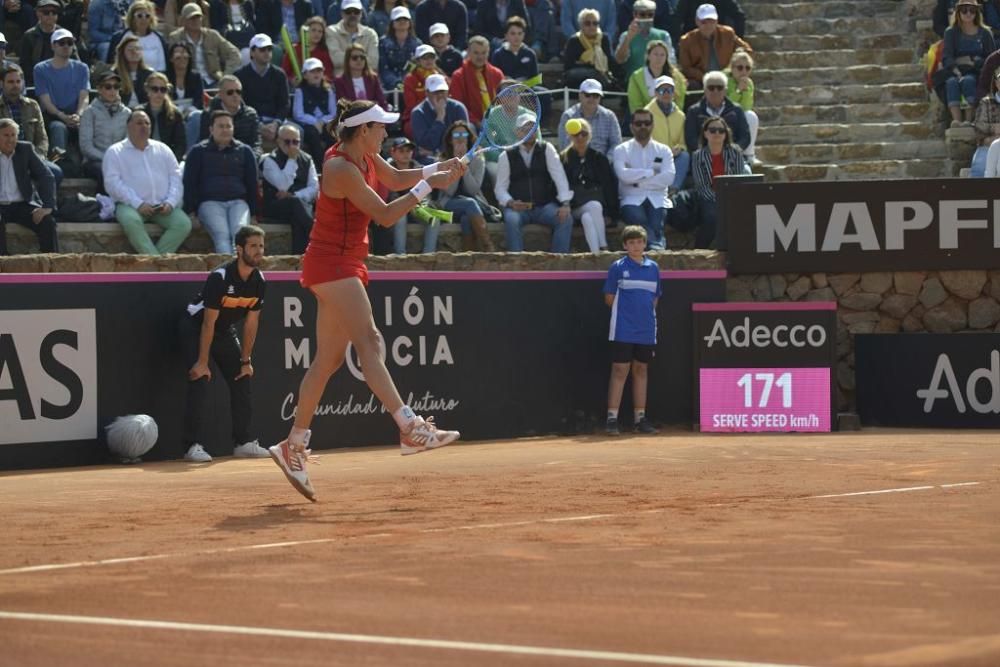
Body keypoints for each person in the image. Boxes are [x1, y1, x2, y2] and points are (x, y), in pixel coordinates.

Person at [268, 100, 463, 502]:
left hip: (346, 261)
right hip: (331, 262)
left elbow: (393, 178)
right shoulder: (339, 167)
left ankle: (293, 445)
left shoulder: (366, 154)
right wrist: (430, 187)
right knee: (370, 342)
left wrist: (435, 170)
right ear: (361, 130)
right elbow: (386, 214)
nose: (386, 134)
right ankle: (409, 427)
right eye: (380, 128)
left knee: (327, 361)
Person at [181, 225, 272, 463]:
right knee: (199, 378)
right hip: (195, 327)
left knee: (242, 378)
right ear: (239, 249)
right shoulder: (219, 278)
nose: (258, 251)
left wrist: (246, 361)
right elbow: (207, 323)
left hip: (223, 331)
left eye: (261, 246)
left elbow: (251, 324)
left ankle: (242, 443)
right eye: (253, 246)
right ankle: (192, 445)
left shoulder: (259, 281)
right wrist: (202, 362)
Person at [104, 110, 191, 254]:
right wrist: (138, 203)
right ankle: (156, 264)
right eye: (139, 123)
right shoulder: (115, 152)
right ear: (128, 126)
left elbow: (176, 177)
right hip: (130, 205)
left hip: (162, 206)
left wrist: (170, 202)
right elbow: (112, 184)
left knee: (183, 224)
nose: (144, 126)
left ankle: (153, 263)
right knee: (131, 222)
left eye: (147, 123)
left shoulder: (163, 149)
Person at [603, 224, 660, 435]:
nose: (636, 246)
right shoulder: (617, 267)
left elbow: (654, 298)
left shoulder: (654, 268)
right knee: (620, 370)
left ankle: (640, 419)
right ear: (625, 245)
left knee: (641, 370)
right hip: (622, 328)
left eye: (639, 242)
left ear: (645, 244)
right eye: (631, 242)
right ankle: (611, 419)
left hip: (646, 329)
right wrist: (628, 315)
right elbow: (609, 298)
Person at [495, 112, 574, 252]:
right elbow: (500, 188)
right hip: (518, 209)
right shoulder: (506, 155)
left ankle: (559, 265)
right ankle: (516, 263)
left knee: (565, 219)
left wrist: (565, 203)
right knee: (512, 220)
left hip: (544, 206)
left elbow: (559, 176)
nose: (530, 132)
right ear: (517, 132)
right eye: (525, 128)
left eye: (533, 128)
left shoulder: (547, 149)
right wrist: (511, 202)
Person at [186, 110, 260, 253]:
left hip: (239, 203)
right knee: (222, 236)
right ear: (211, 129)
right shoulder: (198, 152)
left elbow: (252, 183)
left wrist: (254, 213)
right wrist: (191, 212)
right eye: (221, 126)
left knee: (240, 237)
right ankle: (230, 274)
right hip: (210, 203)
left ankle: (238, 273)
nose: (225, 130)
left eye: (228, 126)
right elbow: (190, 184)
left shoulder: (245, 151)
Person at [613, 108, 675, 250]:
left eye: (647, 123)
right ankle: (657, 248)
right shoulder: (621, 150)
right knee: (639, 221)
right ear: (631, 126)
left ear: (653, 125)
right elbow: (622, 175)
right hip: (630, 198)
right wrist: (651, 172)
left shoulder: (664, 150)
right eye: (638, 123)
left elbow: (668, 178)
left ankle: (655, 249)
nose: (643, 127)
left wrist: (636, 180)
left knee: (655, 222)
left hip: (658, 198)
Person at [0, 118, 58, 256]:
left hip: (22, 204)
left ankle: (50, 263)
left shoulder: (25, 149)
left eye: (13, 135)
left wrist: (47, 207)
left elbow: (46, 176)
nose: (10, 140)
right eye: (6, 135)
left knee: (47, 222)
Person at [434, 119, 494, 250]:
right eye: (456, 136)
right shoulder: (443, 160)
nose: (460, 139)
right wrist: (457, 164)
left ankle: (468, 258)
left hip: (474, 204)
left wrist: (465, 166)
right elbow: (449, 191)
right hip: (448, 202)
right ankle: (488, 246)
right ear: (450, 140)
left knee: (467, 219)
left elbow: (473, 190)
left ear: (469, 138)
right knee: (469, 204)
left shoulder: (478, 159)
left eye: (463, 135)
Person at [561, 117, 617, 253]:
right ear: (569, 135)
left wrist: (612, 215)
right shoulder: (563, 158)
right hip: (573, 208)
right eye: (576, 134)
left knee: (588, 217)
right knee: (594, 206)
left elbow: (610, 186)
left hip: (594, 210)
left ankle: (596, 254)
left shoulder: (599, 158)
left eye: (584, 133)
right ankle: (604, 247)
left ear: (590, 135)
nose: (580, 137)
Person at [0, 64, 62, 184]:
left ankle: (42, 203)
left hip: (31, 156)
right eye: (11, 82)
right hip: (4, 156)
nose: (15, 85)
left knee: (56, 173)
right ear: (2, 83)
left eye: (18, 81)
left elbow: (42, 138)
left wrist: (36, 157)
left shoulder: (32, 105)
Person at [33, 28, 90, 155]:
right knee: (58, 128)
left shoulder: (82, 68)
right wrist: (61, 116)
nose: (66, 46)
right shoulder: (40, 69)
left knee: (87, 126)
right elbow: (45, 100)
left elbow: (84, 96)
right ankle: (59, 162)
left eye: (70, 43)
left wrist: (78, 115)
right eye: (61, 43)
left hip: (76, 115)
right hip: (53, 116)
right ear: (53, 45)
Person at [262, 124, 317, 253]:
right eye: (287, 142)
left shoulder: (307, 159)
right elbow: (282, 185)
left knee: (297, 217)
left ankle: (299, 258)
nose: (292, 146)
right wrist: (292, 160)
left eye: (296, 142)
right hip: (276, 207)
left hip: (300, 207)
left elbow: (314, 188)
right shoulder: (268, 160)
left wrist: (294, 195)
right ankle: (316, 234)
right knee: (296, 205)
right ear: (278, 141)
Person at [691, 116, 744, 248]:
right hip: (707, 196)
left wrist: (728, 197)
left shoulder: (735, 153)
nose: (717, 133)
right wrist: (718, 199)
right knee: (712, 216)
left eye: (721, 130)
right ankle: (699, 248)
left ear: (726, 134)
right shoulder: (698, 156)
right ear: (705, 133)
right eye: (712, 130)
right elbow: (701, 185)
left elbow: (738, 179)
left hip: (731, 195)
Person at [942, 0, 995, 126]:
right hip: (955, 70)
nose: (968, 13)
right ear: (958, 12)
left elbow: (992, 58)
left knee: (969, 81)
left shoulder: (985, 33)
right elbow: (947, 56)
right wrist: (956, 71)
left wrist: (973, 62)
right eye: (964, 10)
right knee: (951, 82)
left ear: (977, 12)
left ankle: (968, 120)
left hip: (978, 70)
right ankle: (957, 121)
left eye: (972, 10)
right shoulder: (951, 32)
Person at [678, 3, 751, 91]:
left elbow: (747, 50)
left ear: (716, 21)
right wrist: (705, 77)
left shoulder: (728, 34)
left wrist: (736, 59)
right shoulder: (686, 40)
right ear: (697, 21)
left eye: (712, 21)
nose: (708, 25)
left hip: (727, 78)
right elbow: (686, 68)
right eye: (704, 22)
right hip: (700, 81)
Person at [490, 16, 550, 120]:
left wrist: (522, 87)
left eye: (519, 33)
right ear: (506, 35)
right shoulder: (498, 54)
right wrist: (511, 85)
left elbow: (536, 79)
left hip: (526, 89)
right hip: (506, 90)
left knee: (545, 94)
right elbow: (496, 78)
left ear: (523, 35)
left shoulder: (530, 53)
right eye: (513, 33)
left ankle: (538, 124)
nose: (516, 37)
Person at [169, 2, 242, 88]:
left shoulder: (212, 35)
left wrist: (226, 76)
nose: (195, 20)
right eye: (191, 18)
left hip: (213, 81)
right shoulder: (176, 38)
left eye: (198, 17)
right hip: (188, 83)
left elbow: (234, 53)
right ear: (183, 20)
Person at [236, 33, 291, 145]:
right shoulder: (240, 76)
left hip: (275, 121)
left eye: (269, 49)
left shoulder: (279, 74)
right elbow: (241, 105)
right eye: (262, 49)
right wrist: (259, 125)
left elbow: (284, 103)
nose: (267, 52)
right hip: (250, 121)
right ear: (252, 52)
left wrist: (276, 124)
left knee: (297, 132)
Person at [80, 70, 130, 188]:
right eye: (108, 87)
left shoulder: (127, 113)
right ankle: (107, 205)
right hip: (95, 161)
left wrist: (118, 160)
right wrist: (108, 159)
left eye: (116, 87)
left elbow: (129, 141)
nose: (113, 91)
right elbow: (86, 146)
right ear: (99, 89)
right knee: (106, 173)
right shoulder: (89, 112)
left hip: (120, 161)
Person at [683, 70, 749, 154]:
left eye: (719, 88)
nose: (715, 91)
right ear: (705, 90)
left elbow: (745, 137)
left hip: (732, 156)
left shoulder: (736, 110)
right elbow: (691, 138)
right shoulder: (693, 111)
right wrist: (708, 152)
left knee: (746, 168)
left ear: (725, 90)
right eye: (711, 88)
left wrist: (733, 150)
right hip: (703, 157)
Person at [556, 78, 621, 159]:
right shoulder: (568, 116)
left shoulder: (609, 116)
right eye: (587, 95)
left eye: (596, 96)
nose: (591, 99)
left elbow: (616, 144)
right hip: (575, 164)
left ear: (600, 98)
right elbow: (564, 145)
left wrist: (605, 161)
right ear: (580, 95)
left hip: (603, 165)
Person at [410, 72, 469, 159]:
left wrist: (436, 152)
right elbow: (426, 145)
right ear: (426, 93)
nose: (440, 95)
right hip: (431, 160)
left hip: (456, 155)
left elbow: (462, 139)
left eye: (442, 91)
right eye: (436, 92)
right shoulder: (418, 113)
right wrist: (440, 118)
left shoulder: (458, 108)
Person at [198, 74, 263, 154]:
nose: (235, 95)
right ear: (220, 94)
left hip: (244, 159)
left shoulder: (251, 114)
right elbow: (204, 144)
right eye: (230, 92)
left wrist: (251, 160)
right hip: (217, 158)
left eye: (238, 92)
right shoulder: (209, 114)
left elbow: (256, 144)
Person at [615, 0, 673, 86]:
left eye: (650, 15)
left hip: (659, 83)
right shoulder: (625, 36)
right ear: (634, 15)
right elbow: (620, 60)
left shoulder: (664, 35)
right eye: (642, 15)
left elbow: (671, 62)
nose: (646, 18)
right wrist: (628, 38)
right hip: (634, 83)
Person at [645, 75, 688, 190]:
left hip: (674, 156)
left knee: (684, 156)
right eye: (662, 90)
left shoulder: (681, 116)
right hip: (654, 157)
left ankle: (673, 190)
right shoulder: (646, 114)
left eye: (670, 90)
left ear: (674, 93)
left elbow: (683, 142)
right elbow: (644, 142)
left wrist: (679, 148)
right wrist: (666, 153)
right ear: (656, 93)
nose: (666, 93)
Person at [450, 35, 504, 126]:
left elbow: (506, 102)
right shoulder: (458, 76)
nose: (480, 57)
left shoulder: (497, 74)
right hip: (472, 124)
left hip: (498, 124)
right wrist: (477, 122)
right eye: (476, 53)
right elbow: (458, 107)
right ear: (468, 52)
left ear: (488, 53)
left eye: (484, 53)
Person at [293, 57, 337, 166]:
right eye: (312, 71)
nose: (316, 74)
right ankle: (321, 166)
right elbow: (298, 114)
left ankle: (333, 163)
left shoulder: (328, 91)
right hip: (308, 124)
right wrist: (314, 122)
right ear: (305, 75)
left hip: (325, 123)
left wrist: (322, 121)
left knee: (333, 134)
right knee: (312, 135)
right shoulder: (300, 91)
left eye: (319, 70)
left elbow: (333, 113)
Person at [137, 71, 188, 161]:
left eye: (163, 89)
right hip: (142, 159)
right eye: (155, 89)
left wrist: (171, 161)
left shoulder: (175, 114)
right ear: (147, 90)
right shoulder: (138, 113)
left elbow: (181, 144)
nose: (159, 93)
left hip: (168, 160)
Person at [563, 8, 618, 91]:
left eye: (595, 23)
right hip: (578, 77)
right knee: (594, 74)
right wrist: (590, 67)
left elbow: (610, 61)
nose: (592, 26)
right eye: (587, 23)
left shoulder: (604, 39)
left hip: (601, 76)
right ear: (581, 25)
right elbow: (568, 66)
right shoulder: (574, 40)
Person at [627, 39, 686, 114]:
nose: (659, 58)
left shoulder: (677, 76)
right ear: (648, 56)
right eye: (655, 54)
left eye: (662, 55)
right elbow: (635, 104)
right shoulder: (636, 77)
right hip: (646, 121)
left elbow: (680, 102)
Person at [166, 42, 206, 152]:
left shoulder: (196, 77)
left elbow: (199, 101)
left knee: (197, 116)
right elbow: (165, 99)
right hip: (172, 112)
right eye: (178, 54)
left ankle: (189, 152)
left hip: (191, 114)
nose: (182, 57)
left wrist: (189, 111)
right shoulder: (165, 77)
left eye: (185, 53)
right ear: (171, 59)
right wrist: (179, 112)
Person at [107, 1, 169, 71]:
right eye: (139, 16)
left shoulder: (159, 38)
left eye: (147, 16)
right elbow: (111, 64)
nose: (143, 19)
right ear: (132, 18)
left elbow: (164, 67)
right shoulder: (118, 38)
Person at [326, 0, 380, 77]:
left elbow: (374, 61)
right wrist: (361, 59)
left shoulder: (370, 33)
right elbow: (336, 59)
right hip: (342, 80)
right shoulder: (331, 31)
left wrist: (349, 59)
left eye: (356, 12)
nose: (352, 15)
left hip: (365, 79)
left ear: (361, 13)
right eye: (348, 11)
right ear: (342, 13)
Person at [402, 43, 444, 138]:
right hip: (418, 115)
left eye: (431, 57)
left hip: (441, 113)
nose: (429, 60)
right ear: (418, 61)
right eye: (425, 58)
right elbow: (411, 105)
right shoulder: (410, 78)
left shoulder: (441, 75)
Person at [726, 48, 758, 166]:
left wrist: (744, 91)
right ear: (732, 68)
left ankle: (749, 154)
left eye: (747, 68)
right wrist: (738, 90)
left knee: (751, 115)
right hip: (724, 115)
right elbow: (728, 104)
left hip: (739, 116)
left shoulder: (749, 83)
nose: (743, 71)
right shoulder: (725, 80)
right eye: (740, 68)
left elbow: (746, 106)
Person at [334, 42, 389, 107]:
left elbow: (382, 102)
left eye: (362, 57)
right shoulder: (340, 81)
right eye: (355, 57)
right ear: (347, 60)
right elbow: (343, 107)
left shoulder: (373, 78)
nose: (359, 60)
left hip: (373, 115)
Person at [379, 4, 420, 90]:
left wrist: (405, 83)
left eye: (405, 19)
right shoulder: (383, 43)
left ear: (409, 22)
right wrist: (396, 83)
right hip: (389, 87)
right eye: (398, 19)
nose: (402, 22)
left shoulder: (418, 44)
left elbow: (416, 67)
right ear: (392, 23)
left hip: (412, 86)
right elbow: (383, 68)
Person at [283, 15, 334, 82]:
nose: (317, 34)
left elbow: (328, 74)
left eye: (320, 31)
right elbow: (284, 72)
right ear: (306, 31)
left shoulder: (323, 52)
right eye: (313, 30)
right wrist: (292, 80)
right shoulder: (294, 49)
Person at [113, 35, 154, 109]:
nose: (134, 52)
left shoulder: (149, 74)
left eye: (137, 49)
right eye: (130, 49)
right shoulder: (114, 74)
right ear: (123, 52)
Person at [675, 0, 745, 38]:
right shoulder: (686, 41)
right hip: (692, 39)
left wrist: (736, 37)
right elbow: (676, 19)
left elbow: (739, 16)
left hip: (718, 39)